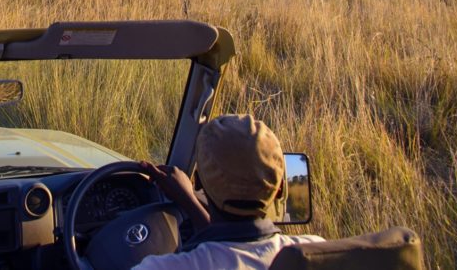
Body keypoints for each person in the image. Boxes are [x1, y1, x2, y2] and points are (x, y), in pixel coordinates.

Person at [133, 114, 323, 270]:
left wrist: (188, 197)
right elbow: (235, 245)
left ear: (197, 181)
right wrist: (189, 202)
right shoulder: (315, 252)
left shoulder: (161, 267)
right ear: (280, 188)